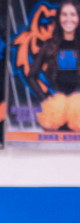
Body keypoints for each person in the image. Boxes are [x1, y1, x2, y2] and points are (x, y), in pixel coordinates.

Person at [27, 0, 80, 130]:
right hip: (55, 115)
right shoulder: (49, 45)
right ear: (59, 18)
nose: (68, 19)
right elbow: (31, 76)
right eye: (64, 14)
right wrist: (45, 99)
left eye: (73, 14)